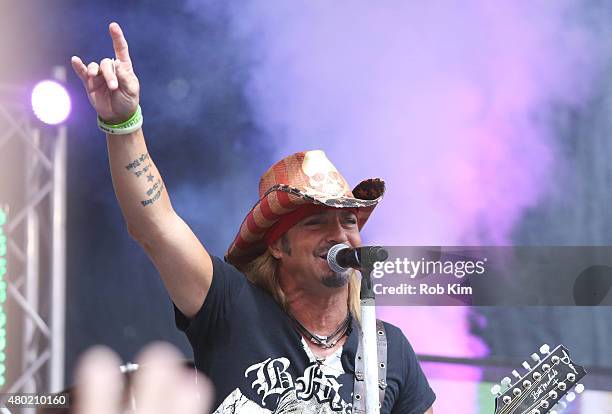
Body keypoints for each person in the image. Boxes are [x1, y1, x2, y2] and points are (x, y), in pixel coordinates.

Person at [71, 21, 435, 413]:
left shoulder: (389, 350)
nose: (339, 234)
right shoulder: (232, 307)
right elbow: (155, 226)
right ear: (278, 243)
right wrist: (123, 124)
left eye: (349, 221)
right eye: (316, 222)